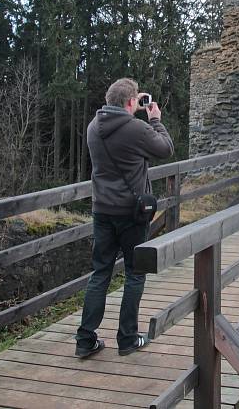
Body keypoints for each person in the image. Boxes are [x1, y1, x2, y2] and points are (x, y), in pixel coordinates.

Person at [75, 78, 174, 359]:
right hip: (131, 213)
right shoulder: (136, 128)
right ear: (132, 102)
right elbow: (165, 149)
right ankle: (127, 338)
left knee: (100, 273)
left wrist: (130, 104)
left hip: (102, 210)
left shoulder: (93, 127)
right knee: (134, 273)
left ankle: (85, 340)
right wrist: (154, 119)